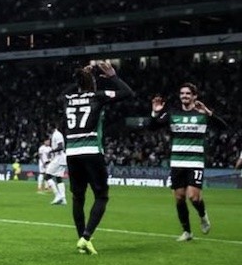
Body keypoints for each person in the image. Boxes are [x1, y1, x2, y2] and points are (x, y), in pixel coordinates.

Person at [60, 60, 134, 254]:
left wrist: (80, 77)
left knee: (78, 197)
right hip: (91, 150)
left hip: (72, 152)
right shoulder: (97, 96)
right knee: (101, 196)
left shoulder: (67, 98)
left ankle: (82, 240)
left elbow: (61, 94)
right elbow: (128, 93)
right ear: (92, 83)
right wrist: (112, 77)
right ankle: (86, 237)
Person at [150, 82, 223, 241]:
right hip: (177, 162)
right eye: (182, 93)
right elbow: (152, 127)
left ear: (194, 96)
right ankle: (187, 232)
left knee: (193, 197)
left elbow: (223, 127)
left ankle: (203, 216)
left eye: (188, 93)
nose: (185, 96)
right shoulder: (172, 113)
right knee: (179, 197)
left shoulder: (201, 114)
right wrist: (155, 113)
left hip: (195, 162)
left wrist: (209, 113)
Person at [42, 126, 67, 205]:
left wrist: (51, 151)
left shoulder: (57, 135)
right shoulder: (55, 135)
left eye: (49, 127)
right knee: (59, 178)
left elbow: (61, 147)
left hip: (59, 158)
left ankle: (57, 195)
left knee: (47, 176)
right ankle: (63, 199)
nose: (48, 129)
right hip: (61, 159)